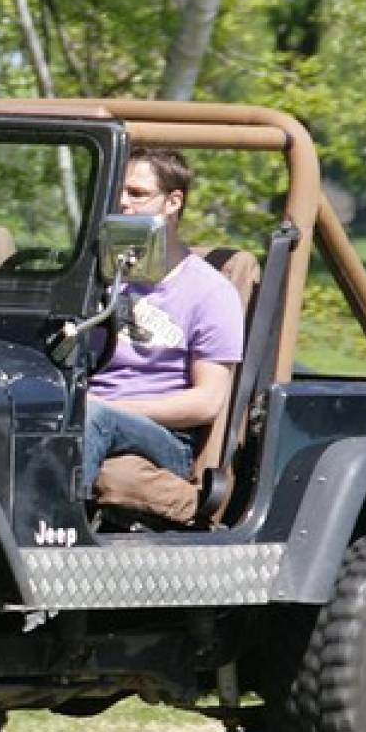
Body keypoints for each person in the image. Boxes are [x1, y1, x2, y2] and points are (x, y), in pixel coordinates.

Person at [82, 148, 245, 492]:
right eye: (117, 193)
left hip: (165, 438)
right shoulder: (95, 275)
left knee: (90, 419)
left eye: (138, 194)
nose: (123, 203)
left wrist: (110, 408)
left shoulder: (211, 292)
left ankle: (51, 536)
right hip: (88, 409)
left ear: (172, 202)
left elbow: (206, 402)